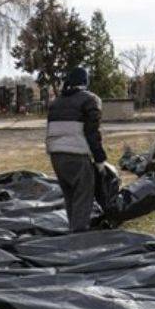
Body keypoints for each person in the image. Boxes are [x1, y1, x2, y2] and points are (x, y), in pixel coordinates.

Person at [45, 66, 107, 233]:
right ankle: (78, 236)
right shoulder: (90, 100)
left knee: (69, 194)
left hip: (56, 156)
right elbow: (92, 133)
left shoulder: (56, 103)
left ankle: (73, 227)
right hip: (77, 154)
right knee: (83, 194)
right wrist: (100, 159)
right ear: (85, 81)